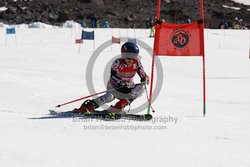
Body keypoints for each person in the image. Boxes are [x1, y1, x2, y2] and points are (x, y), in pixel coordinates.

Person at [74, 42, 149, 114]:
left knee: (141, 88)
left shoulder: (137, 63)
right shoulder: (117, 62)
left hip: (127, 87)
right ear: (123, 56)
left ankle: (118, 107)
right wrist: (122, 82)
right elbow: (113, 76)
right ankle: (88, 107)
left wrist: (145, 78)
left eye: (133, 58)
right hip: (114, 86)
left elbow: (143, 74)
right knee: (109, 97)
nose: (131, 60)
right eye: (128, 58)